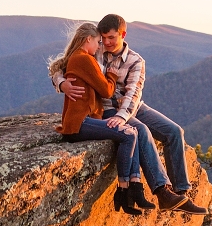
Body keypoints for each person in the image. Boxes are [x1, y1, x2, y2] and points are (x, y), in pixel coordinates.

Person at [53, 14, 208, 216]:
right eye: (103, 38)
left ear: (123, 35)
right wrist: (61, 83)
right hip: (107, 108)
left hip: (131, 107)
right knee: (140, 130)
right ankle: (162, 192)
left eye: (111, 38)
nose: (106, 42)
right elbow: (60, 66)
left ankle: (181, 193)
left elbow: (133, 94)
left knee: (174, 131)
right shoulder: (94, 51)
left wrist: (123, 116)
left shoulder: (135, 61)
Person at [50, 22, 149, 215]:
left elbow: (57, 70)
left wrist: (61, 82)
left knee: (132, 132)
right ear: (88, 39)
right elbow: (107, 89)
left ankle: (133, 187)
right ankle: (124, 190)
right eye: (97, 41)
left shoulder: (77, 57)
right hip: (79, 123)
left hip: (82, 120)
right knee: (129, 134)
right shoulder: (83, 59)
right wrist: (112, 73)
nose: (99, 46)